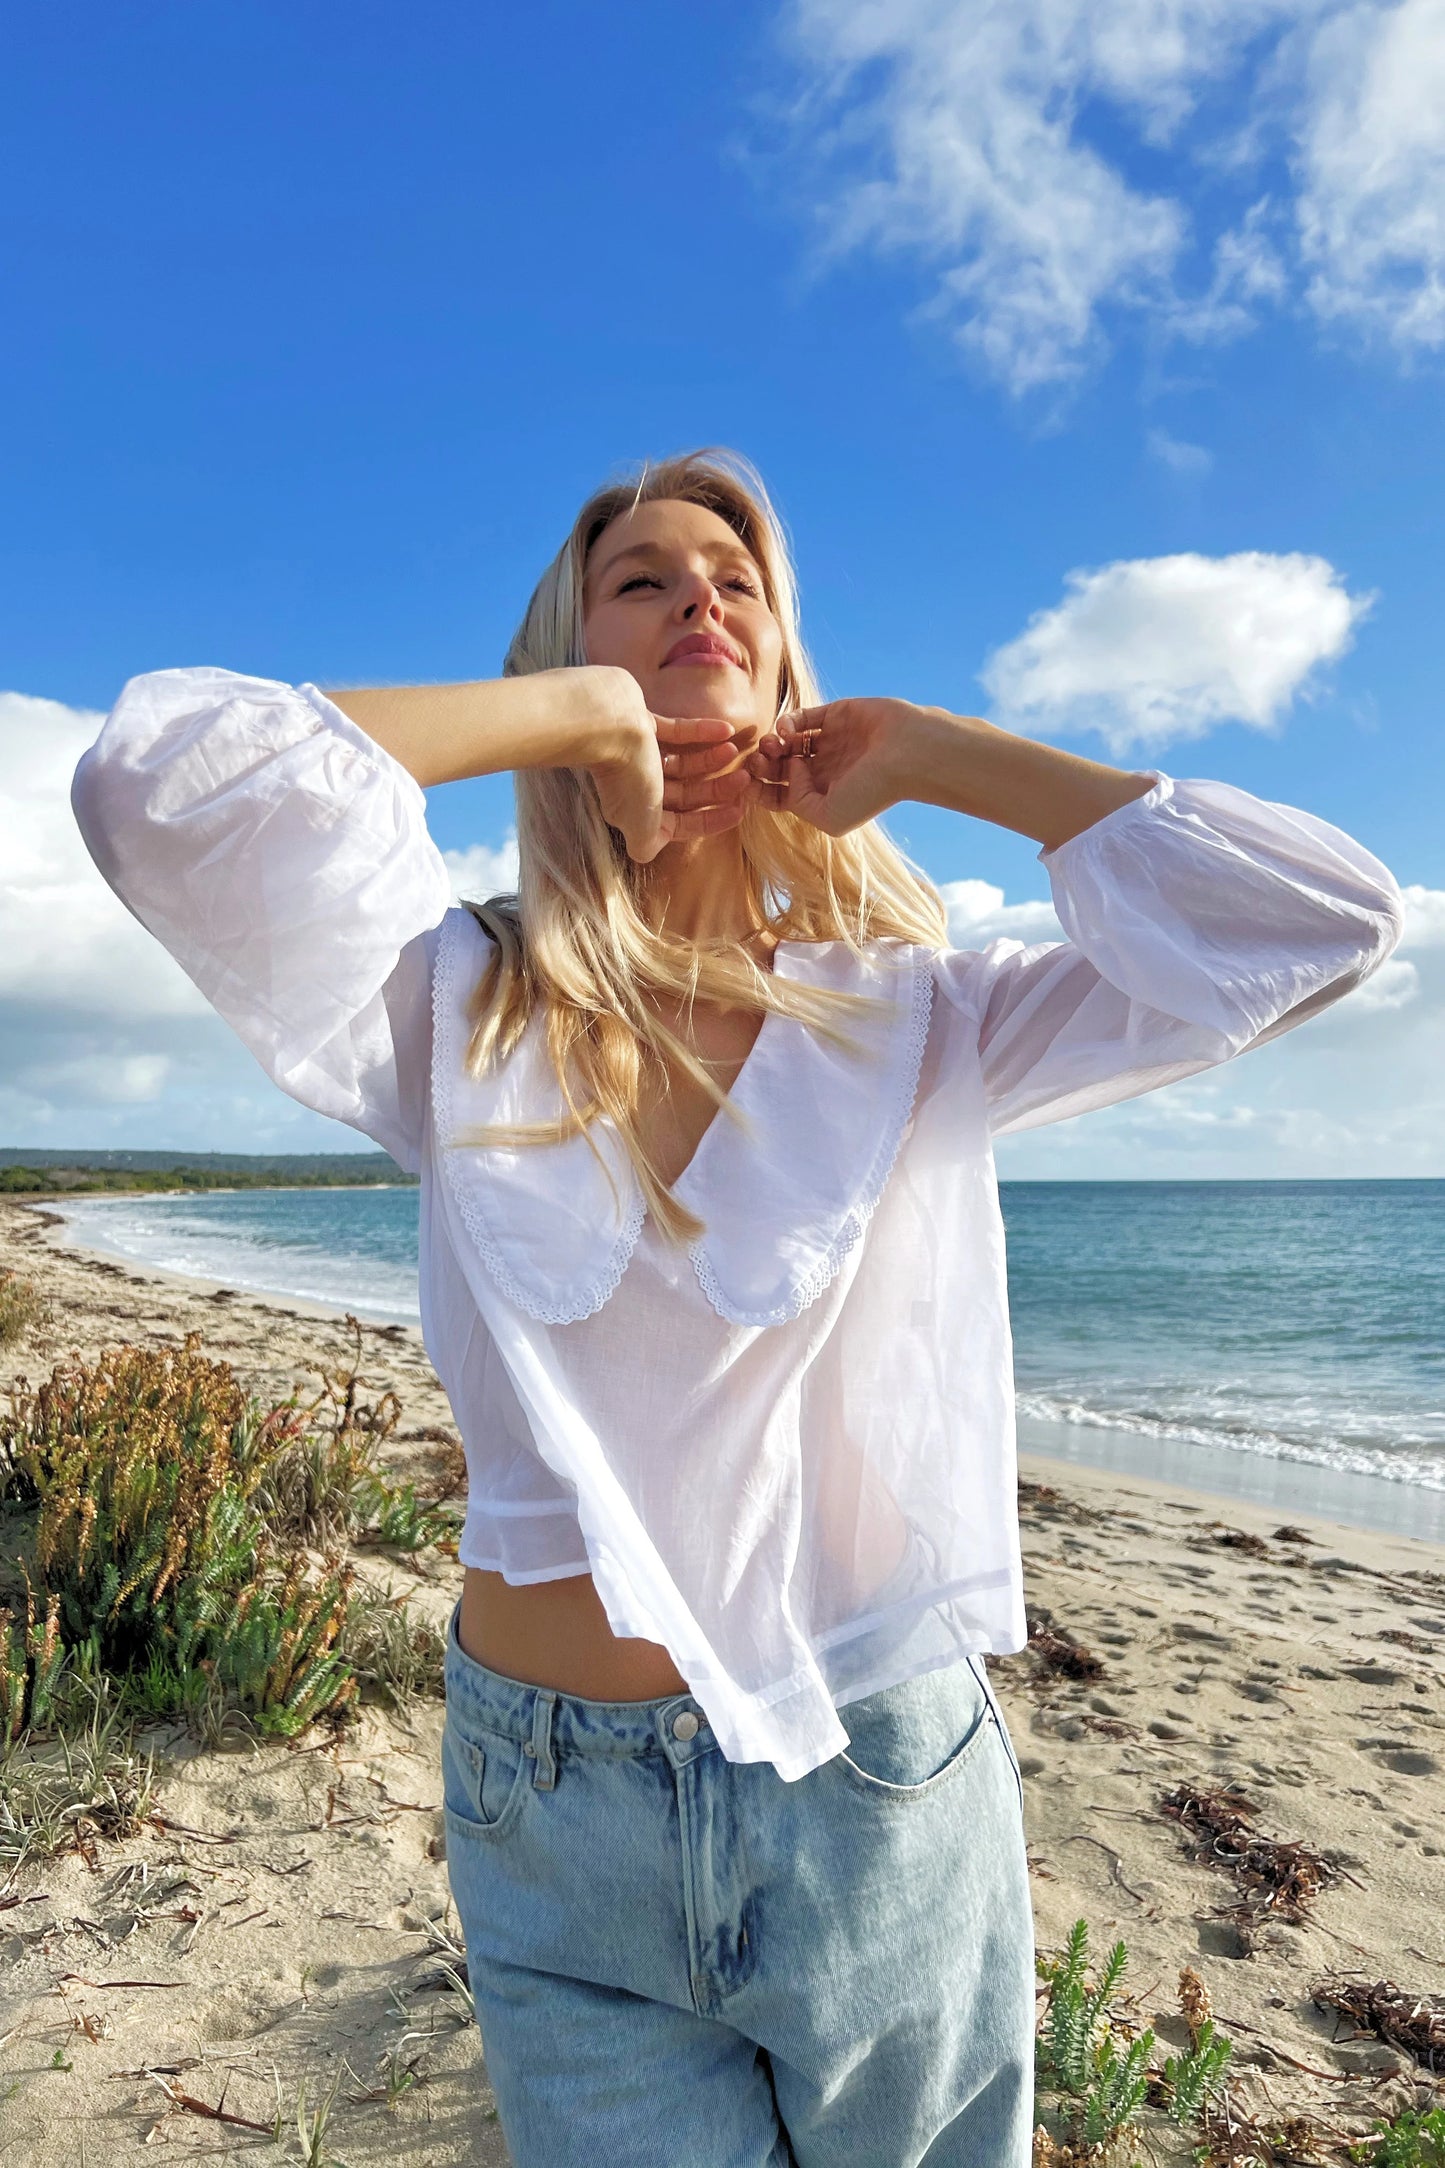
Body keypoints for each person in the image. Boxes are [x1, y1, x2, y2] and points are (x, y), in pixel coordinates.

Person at [71, 448, 1404, 2167]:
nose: (698, 596)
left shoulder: (926, 1015)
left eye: (738, 580)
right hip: (547, 1797)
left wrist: (939, 755)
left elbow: (1321, 917)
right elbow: (155, 788)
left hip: (874, 1776)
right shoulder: (450, 995)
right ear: (568, 643)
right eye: (640, 579)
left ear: (790, 664)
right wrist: (559, 711)